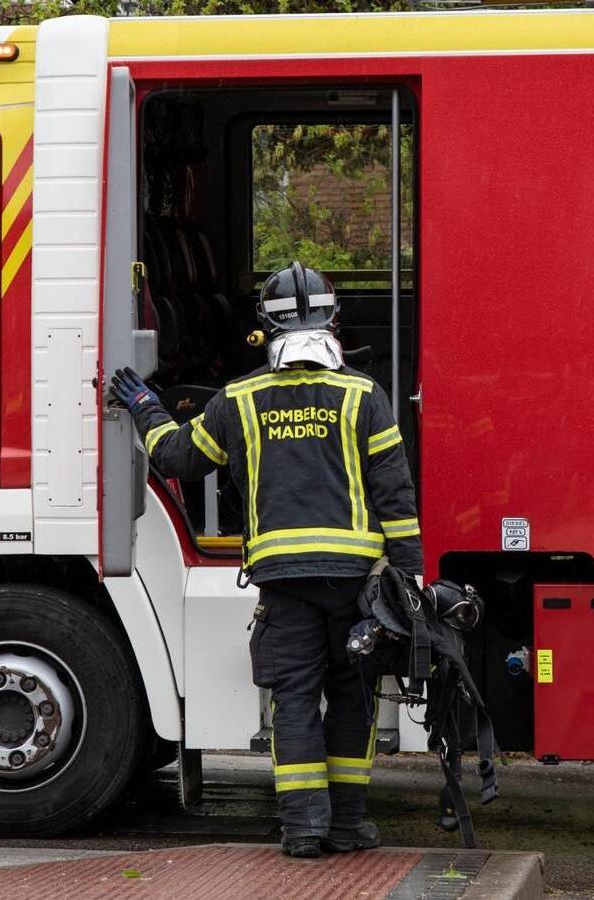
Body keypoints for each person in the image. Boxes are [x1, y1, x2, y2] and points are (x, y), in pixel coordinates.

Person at [111, 261, 423, 859]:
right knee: (354, 698)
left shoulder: (241, 399)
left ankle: (304, 829)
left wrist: (146, 405)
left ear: (265, 326)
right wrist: (408, 581)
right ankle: (347, 826)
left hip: (284, 583)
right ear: (333, 319)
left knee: (295, 699)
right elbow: (396, 499)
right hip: (357, 585)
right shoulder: (365, 397)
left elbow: (177, 458)